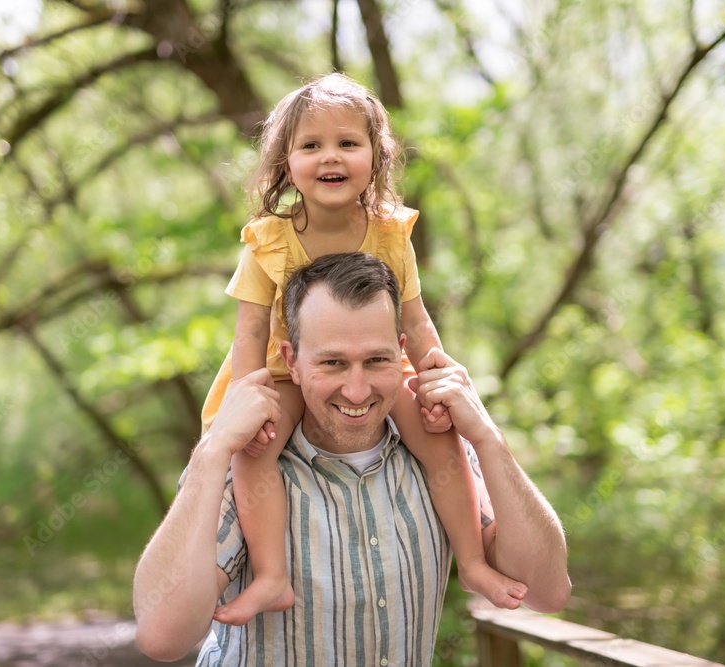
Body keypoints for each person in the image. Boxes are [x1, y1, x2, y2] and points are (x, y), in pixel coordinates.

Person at [133, 252, 571, 665]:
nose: (357, 391)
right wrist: (211, 451)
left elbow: (545, 592)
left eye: (377, 360)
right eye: (333, 363)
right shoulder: (244, 462)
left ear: (401, 352)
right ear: (292, 362)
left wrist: (489, 438)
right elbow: (163, 636)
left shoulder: (446, 454)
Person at [197, 72, 518, 627]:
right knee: (254, 452)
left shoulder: (390, 234)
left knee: (439, 438)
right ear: (286, 163)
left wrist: (438, 383)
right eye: (311, 145)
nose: (331, 156)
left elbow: (415, 322)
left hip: (378, 364)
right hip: (282, 369)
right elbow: (248, 334)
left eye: (348, 142)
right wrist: (248, 404)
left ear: (376, 157)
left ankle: (471, 562)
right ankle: (271, 576)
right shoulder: (268, 241)